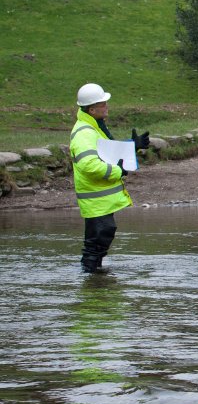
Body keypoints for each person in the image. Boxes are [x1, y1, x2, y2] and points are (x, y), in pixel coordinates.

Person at [71, 83, 149, 274]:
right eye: (103, 104)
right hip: (95, 199)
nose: (107, 107)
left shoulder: (94, 127)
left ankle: (93, 278)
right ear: (92, 109)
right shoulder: (84, 133)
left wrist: (133, 146)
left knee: (101, 236)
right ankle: (90, 277)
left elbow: (107, 152)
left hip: (99, 199)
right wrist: (117, 171)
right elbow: (88, 164)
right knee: (98, 239)